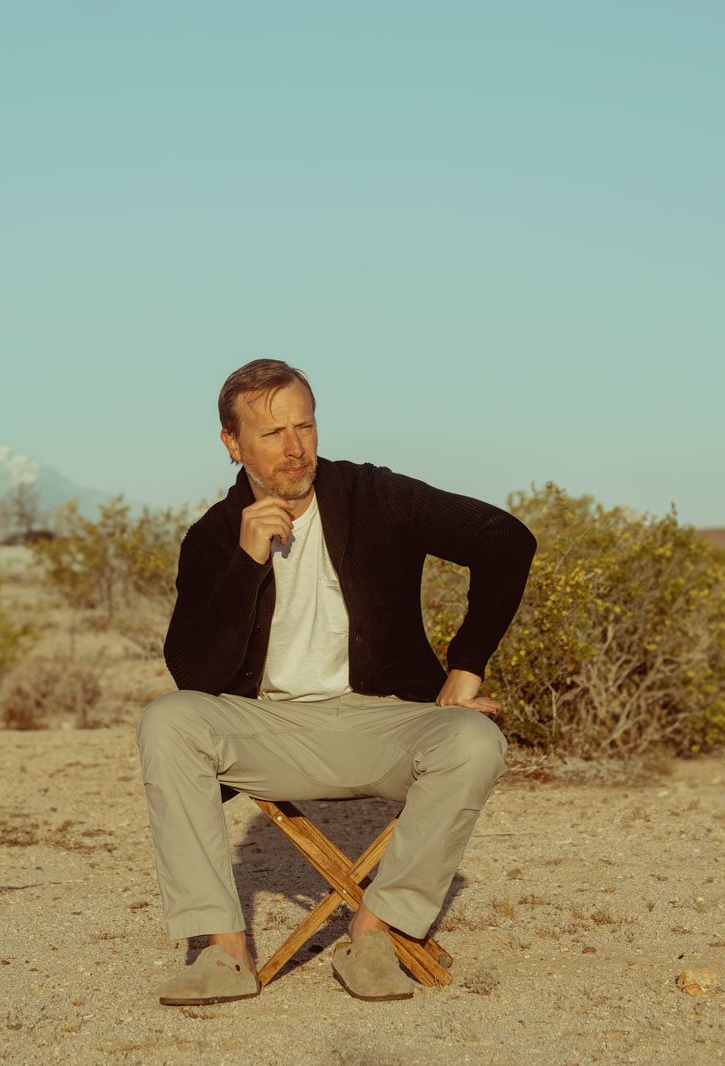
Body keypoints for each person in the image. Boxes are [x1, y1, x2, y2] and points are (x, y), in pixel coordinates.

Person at [137, 358, 536, 1005]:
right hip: (270, 732)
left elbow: (504, 538)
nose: (295, 448)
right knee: (167, 718)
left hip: (382, 722)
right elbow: (196, 677)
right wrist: (245, 565)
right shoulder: (213, 536)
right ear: (232, 443)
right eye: (271, 433)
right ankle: (223, 951)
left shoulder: (374, 495)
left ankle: (373, 932)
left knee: (473, 739)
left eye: (305, 425)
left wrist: (466, 664)